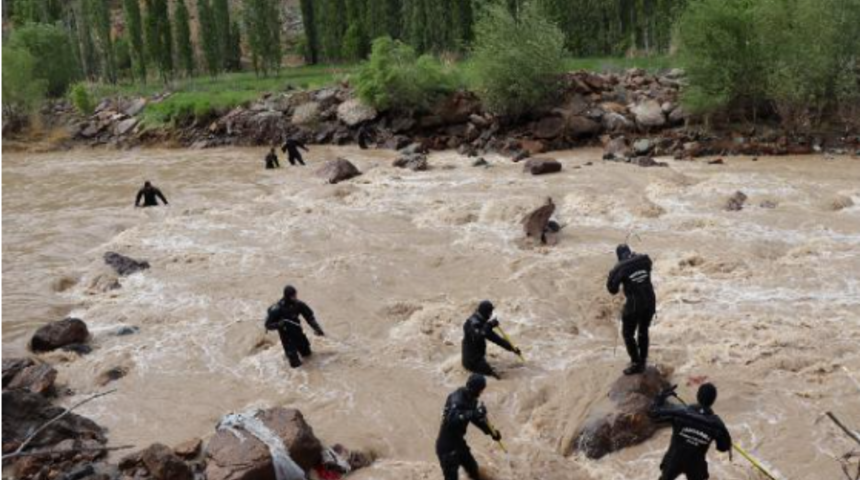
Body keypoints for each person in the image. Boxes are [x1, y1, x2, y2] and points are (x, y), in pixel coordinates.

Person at [650, 383, 732, 480]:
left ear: (698, 396)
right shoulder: (717, 424)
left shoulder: (680, 413)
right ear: (713, 400)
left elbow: (654, 414)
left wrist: (661, 396)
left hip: (673, 460)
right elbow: (723, 447)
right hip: (696, 465)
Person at [436, 374, 501, 480]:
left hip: (459, 443)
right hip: (447, 447)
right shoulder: (456, 399)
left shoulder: (472, 400)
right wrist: (473, 413)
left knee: (474, 471)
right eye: (481, 390)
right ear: (475, 389)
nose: (481, 393)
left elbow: (477, 419)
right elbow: (451, 418)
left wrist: (492, 432)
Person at [607, 244, 656, 375]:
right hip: (650, 301)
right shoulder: (644, 259)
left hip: (634, 304)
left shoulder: (620, 267)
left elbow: (612, 289)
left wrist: (612, 274)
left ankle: (636, 363)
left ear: (619, 256)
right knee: (643, 330)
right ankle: (643, 361)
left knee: (628, 333)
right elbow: (648, 266)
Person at [264, 285, 325, 368]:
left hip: (298, 332)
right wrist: (279, 324)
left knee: (308, 355)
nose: (295, 297)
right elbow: (267, 325)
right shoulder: (277, 309)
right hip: (286, 338)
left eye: (295, 295)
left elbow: (310, 318)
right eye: (293, 296)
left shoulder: (298, 304)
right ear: (287, 296)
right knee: (296, 365)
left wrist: (317, 329)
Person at [462, 300, 521, 379]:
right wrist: (489, 325)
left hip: (478, 358)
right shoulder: (470, 324)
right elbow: (478, 336)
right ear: (486, 313)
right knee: (498, 378)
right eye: (490, 313)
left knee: (494, 374)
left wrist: (512, 348)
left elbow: (497, 340)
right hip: (472, 362)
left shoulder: (483, 324)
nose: (491, 315)